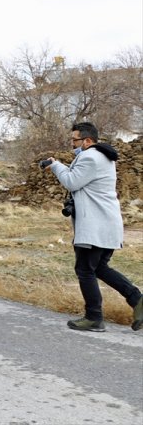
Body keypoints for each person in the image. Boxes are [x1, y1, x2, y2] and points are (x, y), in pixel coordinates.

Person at [45, 121, 143, 332]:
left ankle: (94, 318)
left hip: (95, 227)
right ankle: (138, 300)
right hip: (105, 224)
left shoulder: (90, 157)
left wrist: (55, 165)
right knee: (99, 268)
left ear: (88, 141)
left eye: (75, 140)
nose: (72, 144)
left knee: (84, 270)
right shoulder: (102, 157)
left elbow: (71, 182)